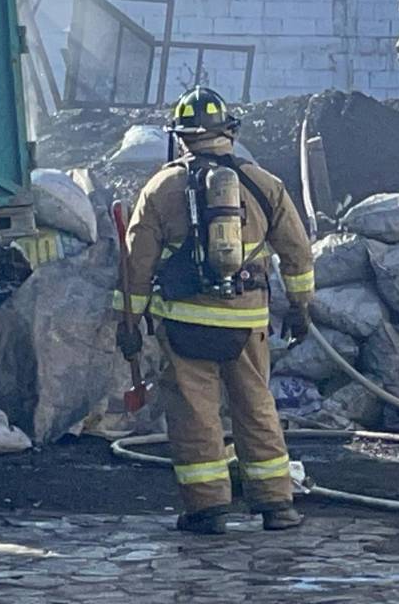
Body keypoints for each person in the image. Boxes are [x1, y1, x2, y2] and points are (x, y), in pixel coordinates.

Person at [114, 86, 315, 535]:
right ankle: (276, 506)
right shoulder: (264, 184)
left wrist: (128, 322)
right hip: (246, 323)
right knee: (256, 407)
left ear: (181, 137)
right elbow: (298, 253)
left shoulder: (160, 188)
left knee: (194, 414)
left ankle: (207, 509)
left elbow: (136, 267)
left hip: (184, 323)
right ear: (229, 132)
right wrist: (301, 306)